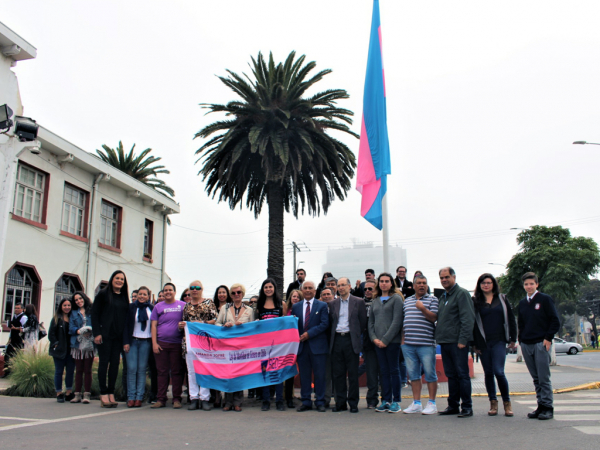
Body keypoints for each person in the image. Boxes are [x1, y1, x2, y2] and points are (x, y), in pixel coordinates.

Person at [472, 273, 517, 417]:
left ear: (493, 284)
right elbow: (473, 324)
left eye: (489, 282)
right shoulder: (476, 301)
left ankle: (507, 403)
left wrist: (513, 338)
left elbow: (511, 318)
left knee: (499, 371)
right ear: (479, 285)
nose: (486, 285)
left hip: (499, 340)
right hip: (484, 343)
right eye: (483, 283)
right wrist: (474, 344)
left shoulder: (502, 299)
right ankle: (493, 403)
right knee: (488, 373)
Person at [518, 272, 560, 420]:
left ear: (537, 284)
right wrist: (520, 341)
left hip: (541, 343)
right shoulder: (522, 303)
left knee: (544, 378)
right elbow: (521, 324)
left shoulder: (545, 299)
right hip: (526, 344)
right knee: (536, 378)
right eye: (526, 284)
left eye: (531, 284)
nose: (529, 286)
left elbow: (555, 321)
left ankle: (548, 407)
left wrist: (548, 338)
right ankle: (540, 405)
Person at [436, 267, 475, 418]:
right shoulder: (443, 296)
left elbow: (467, 319)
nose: (444, 280)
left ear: (454, 277)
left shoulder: (462, 294)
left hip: (458, 343)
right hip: (445, 342)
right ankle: (453, 405)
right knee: (451, 375)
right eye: (441, 278)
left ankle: (467, 407)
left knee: (462, 375)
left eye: (446, 277)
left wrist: (463, 340)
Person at [401, 275, 439, 415]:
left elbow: (434, 317)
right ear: (414, 286)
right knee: (413, 375)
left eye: (424, 283)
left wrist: (422, 308)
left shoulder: (433, 299)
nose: (422, 285)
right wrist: (403, 341)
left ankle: (432, 403)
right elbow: (404, 320)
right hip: (408, 345)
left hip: (426, 344)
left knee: (430, 374)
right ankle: (416, 403)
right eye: (419, 283)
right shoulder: (407, 301)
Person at [328, 277, 367, 413]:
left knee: (353, 374)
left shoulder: (358, 302)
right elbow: (331, 323)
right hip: (337, 340)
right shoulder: (333, 304)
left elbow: (362, 322)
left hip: (351, 340)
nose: (341, 287)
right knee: (338, 374)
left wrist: (355, 335)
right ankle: (340, 403)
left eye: (343, 285)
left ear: (350, 286)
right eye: (339, 285)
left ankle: (353, 403)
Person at [92, 270, 130, 408]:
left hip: (118, 337)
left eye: (122, 279)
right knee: (104, 363)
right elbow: (94, 313)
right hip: (104, 335)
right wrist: (97, 333)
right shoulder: (103, 294)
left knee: (114, 364)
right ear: (112, 279)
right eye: (117, 278)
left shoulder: (124, 296)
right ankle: (103, 393)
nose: (120, 281)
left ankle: (111, 393)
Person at [368, 272, 404, 413]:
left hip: (392, 343)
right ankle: (386, 400)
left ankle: (396, 401)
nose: (383, 283)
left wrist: (385, 340)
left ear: (391, 283)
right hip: (377, 343)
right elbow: (370, 322)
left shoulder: (396, 299)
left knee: (394, 370)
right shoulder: (375, 300)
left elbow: (397, 321)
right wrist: (374, 338)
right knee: (383, 372)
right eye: (381, 281)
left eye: (386, 281)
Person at [216, 283, 255, 411]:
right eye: (233, 293)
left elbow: (253, 327)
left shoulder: (249, 310)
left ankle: (238, 401)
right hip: (227, 345)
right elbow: (217, 323)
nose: (236, 295)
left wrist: (243, 325)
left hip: (242, 346)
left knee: (239, 373)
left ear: (242, 294)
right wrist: (224, 325)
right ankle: (228, 401)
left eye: (238, 292)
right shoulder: (225, 308)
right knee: (228, 373)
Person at [292, 280, 329, 412]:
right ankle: (306, 401)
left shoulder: (322, 306)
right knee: (305, 376)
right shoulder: (296, 307)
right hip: (302, 347)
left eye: (310, 288)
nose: (308, 290)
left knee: (319, 375)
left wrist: (309, 334)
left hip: (318, 346)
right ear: (302, 290)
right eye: (305, 288)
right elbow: (292, 326)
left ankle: (320, 401)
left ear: (315, 291)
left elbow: (324, 324)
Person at [179, 280, 217, 411]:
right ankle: (194, 398)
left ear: (202, 289)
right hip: (189, 343)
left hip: (204, 342)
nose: (194, 290)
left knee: (205, 370)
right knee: (191, 371)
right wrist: (182, 325)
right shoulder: (186, 306)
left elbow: (215, 320)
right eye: (192, 288)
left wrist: (200, 323)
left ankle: (204, 398)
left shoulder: (208, 303)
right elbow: (184, 322)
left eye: (197, 287)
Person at [151, 282, 186, 409]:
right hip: (161, 344)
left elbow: (189, 321)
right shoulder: (158, 307)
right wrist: (154, 343)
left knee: (177, 372)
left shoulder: (182, 306)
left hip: (177, 343)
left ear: (175, 292)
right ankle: (161, 399)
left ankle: (176, 399)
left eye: (170, 290)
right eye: (165, 290)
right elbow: (153, 325)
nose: (168, 292)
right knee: (162, 372)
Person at [256, 278, 286, 411]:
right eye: (266, 287)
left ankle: (279, 400)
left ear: (274, 289)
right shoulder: (259, 305)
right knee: (265, 372)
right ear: (263, 289)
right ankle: (266, 400)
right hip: (263, 344)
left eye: (270, 287)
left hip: (278, 344)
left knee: (279, 371)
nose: (268, 289)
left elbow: (286, 323)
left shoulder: (281, 304)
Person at [123, 286, 154, 408]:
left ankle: (139, 398)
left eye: (144, 294)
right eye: (140, 294)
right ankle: (131, 397)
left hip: (146, 342)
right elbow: (125, 325)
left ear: (148, 296)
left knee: (141, 370)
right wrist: (125, 342)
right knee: (131, 369)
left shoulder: (152, 308)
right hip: (132, 341)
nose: (142, 296)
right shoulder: (131, 307)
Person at [69, 292, 94, 404]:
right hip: (77, 344)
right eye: (76, 300)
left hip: (89, 343)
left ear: (84, 298)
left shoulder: (91, 310)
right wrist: (78, 331)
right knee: (78, 370)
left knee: (87, 370)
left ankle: (87, 395)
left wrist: (90, 331)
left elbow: (96, 324)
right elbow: (71, 328)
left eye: (80, 298)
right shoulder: (74, 313)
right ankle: (77, 394)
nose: (79, 301)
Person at [49, 298, 75, 403]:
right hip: (60, 350)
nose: (67, 307)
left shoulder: (73, 318)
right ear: (61, 306)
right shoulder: (56, 319)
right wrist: (56, 344)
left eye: (69, 305)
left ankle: (69, 392)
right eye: (65, 305)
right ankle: (59, 393)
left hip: (71, 349)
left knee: (70, 372)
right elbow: (51, 334)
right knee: (59, 371)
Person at [360, 279, 380, 408]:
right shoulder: (359, 303)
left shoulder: (381, 301)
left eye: (370, 289)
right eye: (365, 289)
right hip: (368, 342)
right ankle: (372, 400)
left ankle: (388, 399)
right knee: (371, 373)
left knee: (385, 372)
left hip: (383, 340)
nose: (367, 291)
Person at [284, 288, 302, 408]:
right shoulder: (286, 311)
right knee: (289, 371)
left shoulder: (303, 310)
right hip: (288, 344)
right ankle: (288, 397)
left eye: (297, 297)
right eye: (293, 296)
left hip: (301, 342)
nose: (295, 298)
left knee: (301, 370)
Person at [319, 285, 335, 407]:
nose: (326, 296)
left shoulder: (339, 307)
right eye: (324, 295)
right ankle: (326, 399)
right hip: (324, 345)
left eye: (328, 294)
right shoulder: (318, 308)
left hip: (339, 343)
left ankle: (341, 400)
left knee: (339, 374)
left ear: (333, 295)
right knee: (326, 375)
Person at [4, 302, 27, 372]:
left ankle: (15, 372)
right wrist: (9, 338)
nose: (16, 309)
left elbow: (24, 329)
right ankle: (7, 372)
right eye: (15, 308)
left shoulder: (24, 317)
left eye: (18, 308)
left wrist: (16, 329)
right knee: (7, 355)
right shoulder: (14, 316)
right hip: (13, 339)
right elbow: (11, 329)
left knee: (17, 356)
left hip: (19, 340)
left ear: (23, 309)